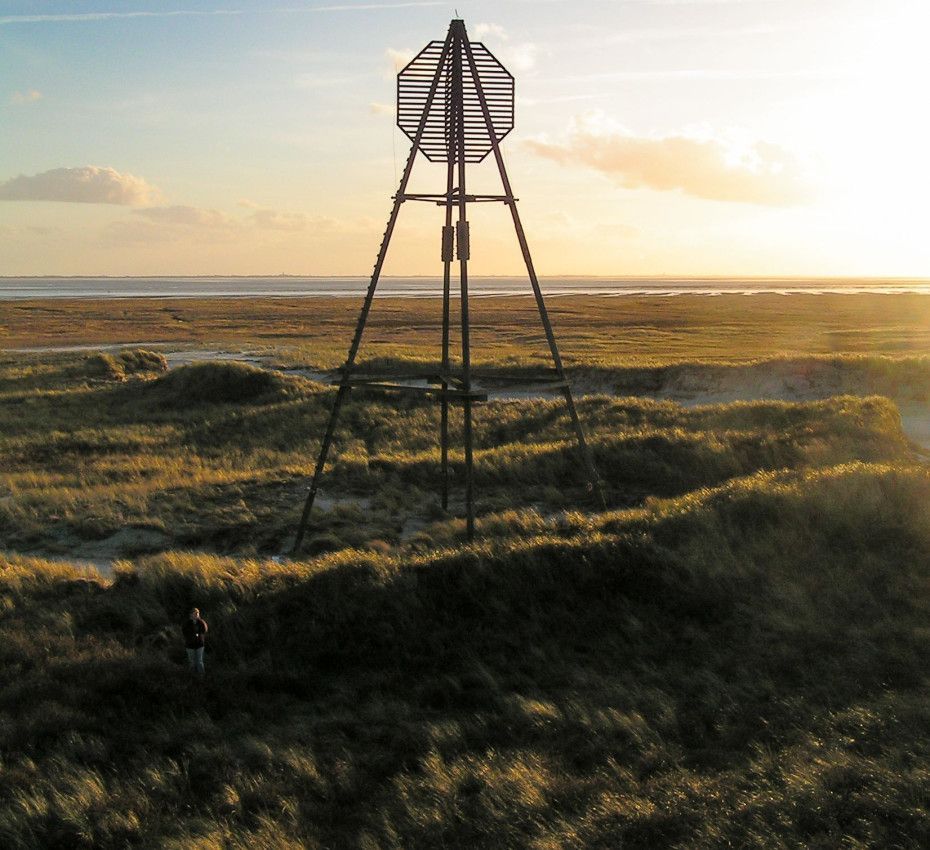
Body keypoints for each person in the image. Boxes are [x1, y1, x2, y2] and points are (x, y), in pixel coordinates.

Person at [182, 607, 208, 675]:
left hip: (199, 644)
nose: (196, 615)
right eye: (194, 613)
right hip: (190, 645)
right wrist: (192, 635)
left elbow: (205, 630)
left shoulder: (201, 622)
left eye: (197, 613)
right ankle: (192, 676)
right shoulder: (187, 623)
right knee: (192, 662)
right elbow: (184, 632)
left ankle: (202, 676)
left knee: (199, 661)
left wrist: (198, 633)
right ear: (191, 615)